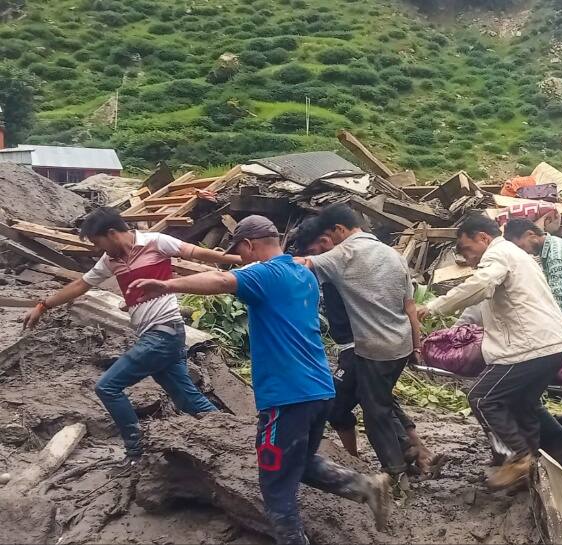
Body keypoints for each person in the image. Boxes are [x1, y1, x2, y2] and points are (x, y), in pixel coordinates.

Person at [128, 215, 390, 543]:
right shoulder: (303, 274)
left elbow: (223, 282)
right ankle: (365, 486)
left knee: (276, 488)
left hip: (287, 396)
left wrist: (168, 285)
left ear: (249, 246)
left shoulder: (264, 272)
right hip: (320, 390)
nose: (240, 260)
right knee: (301, 462)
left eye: (239, 253)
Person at [21, 207, 238, 471]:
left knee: (107, 387)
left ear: (111, 234)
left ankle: (135, 451)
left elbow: (195, 252)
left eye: (96, 241)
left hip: (165, 331)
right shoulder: (110, 260)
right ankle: (238, 436)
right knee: (187, 399)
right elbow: (80, 285)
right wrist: (43, 305)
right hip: (154, 335)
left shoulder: (155, 242)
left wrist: (238, 260)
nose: (95, 248)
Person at [417, 215, 562, 490]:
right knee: (523, 403)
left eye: (467, 249)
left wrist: (434, 306)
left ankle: (519, 458)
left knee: (482, 398)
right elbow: (481, 302)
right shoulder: (517, 255)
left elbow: (480, 285)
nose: (467, 257)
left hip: (530, 347)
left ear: (483, 239)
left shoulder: (498, 254)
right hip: (553, 344)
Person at [291, 219, 437, 475]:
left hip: (360, 348)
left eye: (315, 250)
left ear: (329, 239)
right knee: (378, 399)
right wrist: (415, 345)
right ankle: (414, 449)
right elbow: (408, 306)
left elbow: (302, 267)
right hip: (386, 344)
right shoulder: (383, 256)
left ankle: (388, 464)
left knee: (359, 408)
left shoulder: (341, 259)